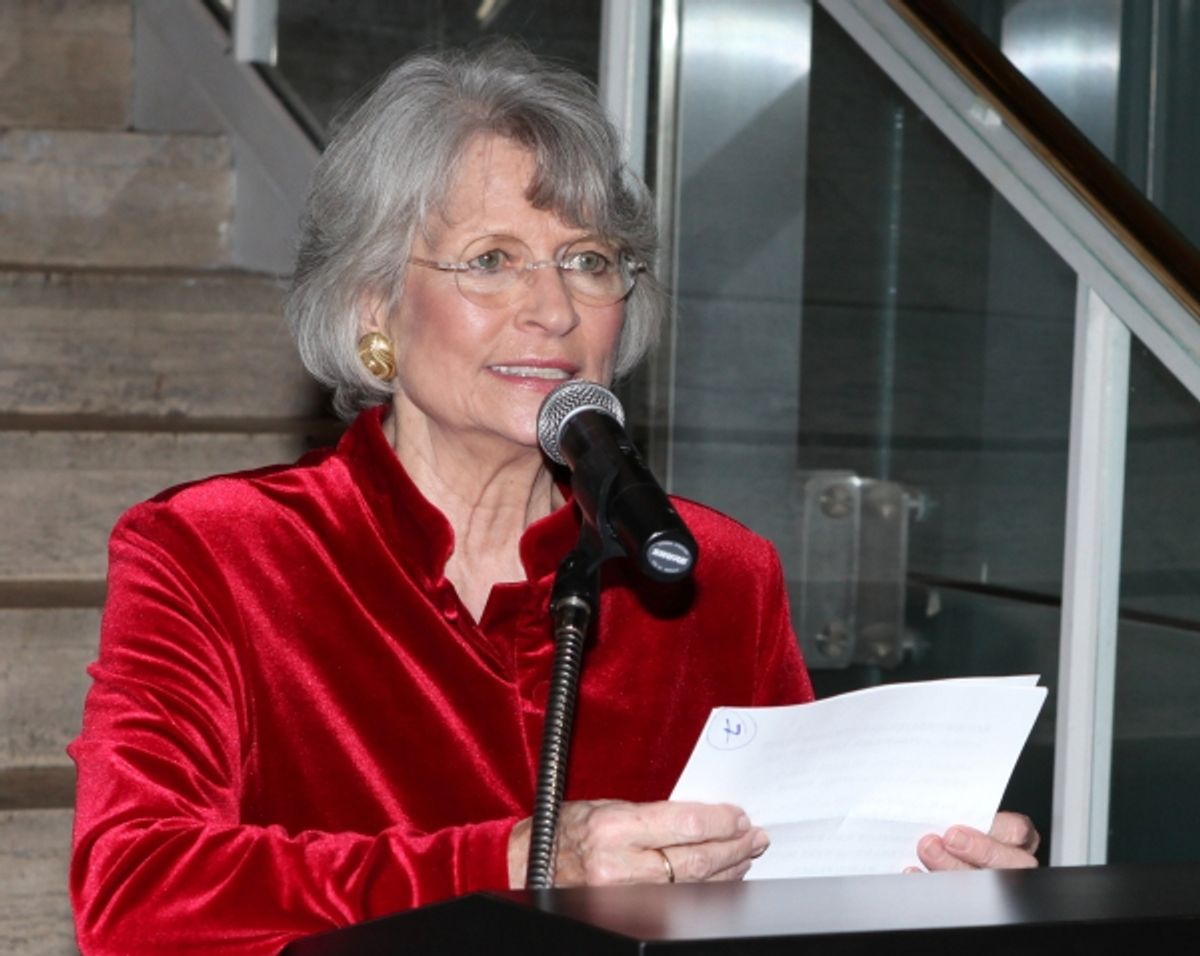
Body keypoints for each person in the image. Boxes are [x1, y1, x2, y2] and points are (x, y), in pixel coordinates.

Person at [68, 41, 1039, 955]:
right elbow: (136, 891)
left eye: (588, 259)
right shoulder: (215, 551)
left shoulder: (715, 573)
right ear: (374, 308)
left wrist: (918, 877)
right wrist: (519, 862)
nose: (556, 306)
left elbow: (776, 883)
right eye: (492, 259)